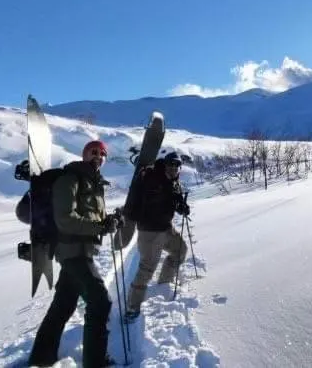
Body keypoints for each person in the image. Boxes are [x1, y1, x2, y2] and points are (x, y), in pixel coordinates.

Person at [28, 140, 123, 368]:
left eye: (102, 153)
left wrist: (109, 221)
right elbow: (65, 219)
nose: (98, 156)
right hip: (72, 252)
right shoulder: (70, 179)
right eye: (93, 151)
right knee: (100, 303)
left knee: (63, 306)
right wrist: (99, 227)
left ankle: (41, 357)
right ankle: (95, 363)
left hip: (83, 251)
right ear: (84, 154)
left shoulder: (94, 182)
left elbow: (90, 215)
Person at [124, 151, 191, 322]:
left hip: (166, 228)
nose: (174, 168)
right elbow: (153, 197)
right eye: (171, 164)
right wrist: (169, 195)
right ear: (165, 164)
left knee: (180, 250)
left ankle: (164, 283)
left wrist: (181, 206)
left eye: (177, 165)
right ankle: (132, 306)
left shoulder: (173, 181)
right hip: (150, 231)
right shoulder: (154, 178)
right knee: (147, 268)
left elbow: (172, 201)